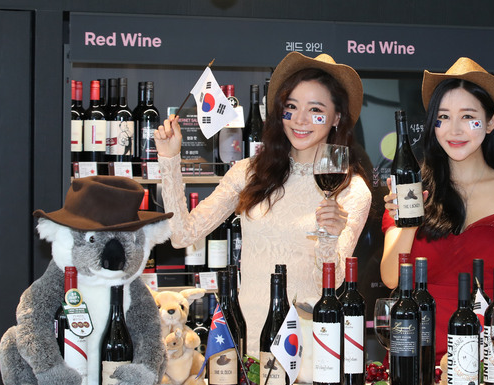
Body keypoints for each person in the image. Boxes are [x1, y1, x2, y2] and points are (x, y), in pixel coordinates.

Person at [154, 52, 372, 367]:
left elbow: (332, 282)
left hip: (306, 347)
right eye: (292, 107)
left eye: (316, 110)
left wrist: (329, 236)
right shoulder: (248, 173)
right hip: (247, 340)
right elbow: (182, 235)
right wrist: (169, 159)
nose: (300, 119)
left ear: (336, 118)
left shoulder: (351, 190)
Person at [380, 57, 494, 362]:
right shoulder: (412, 189)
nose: (454, 130)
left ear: (491, 122)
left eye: (468, 116)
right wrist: (409, 222)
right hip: (418, 349)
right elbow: (391, 277)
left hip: (486, 349)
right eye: (443, 117)